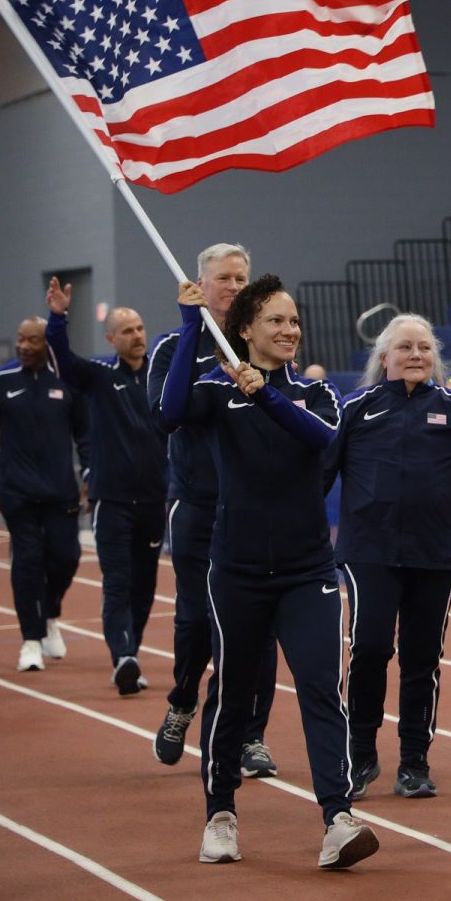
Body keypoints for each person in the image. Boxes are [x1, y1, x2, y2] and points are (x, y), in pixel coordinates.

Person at [160, 274, 379, 868]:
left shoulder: (317, 394)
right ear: (247, 329)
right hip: (235, 570)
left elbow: (323, 440)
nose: (290, 331)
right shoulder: (213, 388)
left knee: (320, 690)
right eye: (277, 321)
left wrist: (267, 394)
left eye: (294, 321)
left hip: (308, 570)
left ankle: (337, 817)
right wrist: (189, 326)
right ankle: (220, 814)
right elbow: (170, 410)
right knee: (232, 693)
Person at [327, 315, 451, 801]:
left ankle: (414, 761)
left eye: (424, 348)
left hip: (435, 553)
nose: (415, 355)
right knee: (368, 649)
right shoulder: (357, 407)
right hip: (370, 551)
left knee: (422, 659)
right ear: (384, 357)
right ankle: (360, 754)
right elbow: (319, 472)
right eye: (405, 347)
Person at [147, 243, 279, 772]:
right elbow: (164, 415)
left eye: (241, 277)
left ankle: (250, 734)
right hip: (198, 505)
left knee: (257, 622)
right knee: (199, 619)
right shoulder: (173, 345)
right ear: (200, 284)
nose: (234, 286)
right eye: (224, 277)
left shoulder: (262, 343)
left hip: (255, 507)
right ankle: (182, 700)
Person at [43, 277, 165, 692]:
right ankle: (124, 656)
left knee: (145, 585)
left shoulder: (160, 377)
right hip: (112, 500)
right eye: (127, 331)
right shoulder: (97, 377)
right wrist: (58, 318)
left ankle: (132, 651)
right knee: (118, 581)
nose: (136, 336)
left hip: (153, 499)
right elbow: (61, 358)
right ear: (111, 338)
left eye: (140, 328)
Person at [0, 316, 90, 673]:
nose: (23, 346)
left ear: (47, 345)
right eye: (20, 340)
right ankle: (31, 639)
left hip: (60, 491)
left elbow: (85, 434)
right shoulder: (0, 383)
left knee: (66, 557)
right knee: (27, 563)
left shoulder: (67, 384)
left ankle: (51, 612)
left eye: (32, 341)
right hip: (17, 492)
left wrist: (89, 474)